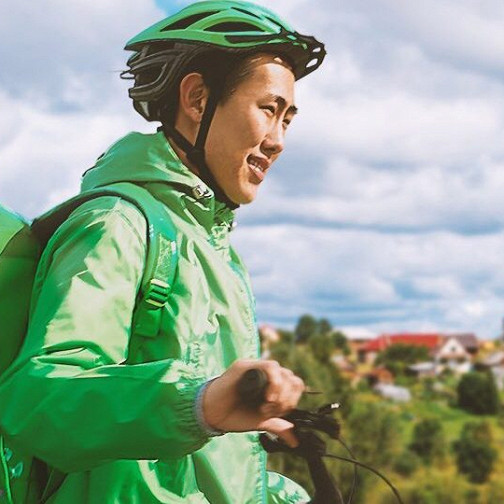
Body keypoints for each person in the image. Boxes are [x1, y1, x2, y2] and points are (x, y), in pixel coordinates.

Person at [0, 1, 325, 503]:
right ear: (197, 98)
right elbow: (40, 399)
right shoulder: (117, 224)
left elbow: (200, 467)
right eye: (268, 109)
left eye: (288, 119)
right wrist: (200, 402)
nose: (278, 140)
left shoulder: (216, 250)